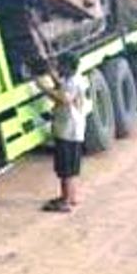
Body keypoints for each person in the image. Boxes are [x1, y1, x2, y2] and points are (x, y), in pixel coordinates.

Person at [37, 53, 87, 213]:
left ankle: (65, 201)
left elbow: (63, 99)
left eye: (60, 65)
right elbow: (61, 86)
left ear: (68, 67)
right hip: (73, 130)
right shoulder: (74, 79)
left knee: (65, 168)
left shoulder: (72, 83)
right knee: (71, 167)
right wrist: (51, 74)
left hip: (67, 131)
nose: (58, 67)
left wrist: (42, 88)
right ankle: (71, 197)